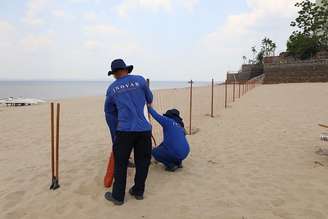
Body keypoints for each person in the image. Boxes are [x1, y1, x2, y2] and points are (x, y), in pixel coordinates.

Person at [104, 59, 153, 205]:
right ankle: (138, 191)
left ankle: (118, 197)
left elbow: (109, 113)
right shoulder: (140, 81)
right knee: (143, 162)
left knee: (121, 163)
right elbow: (149, 99)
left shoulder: (112, 89)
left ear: (115, 73)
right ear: (126, 69)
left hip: (125, 130)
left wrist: (114, 133)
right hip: (144, 129)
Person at [148, 107, 190, 172]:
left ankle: (171, 165)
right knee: (172, 148)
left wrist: (149, 108)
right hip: (186, 152)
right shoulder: (180, 126)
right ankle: (178, 163)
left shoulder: (167, 121)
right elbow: (172, 141)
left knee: (154, 152)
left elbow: (156, 115)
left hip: (175, 152)